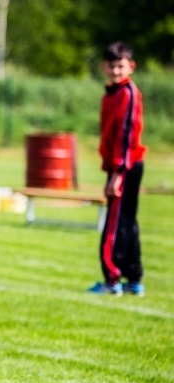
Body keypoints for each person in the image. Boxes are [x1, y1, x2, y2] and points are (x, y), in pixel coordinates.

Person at [88, 41, 147, 297]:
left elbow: (126, 134)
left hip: (126, 166)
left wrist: (118, 174)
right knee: (126, 221)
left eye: (120, 66)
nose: (115, 71)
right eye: (111, 66)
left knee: (114, 224)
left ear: (131, 67)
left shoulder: (128, 94)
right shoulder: (110, 94)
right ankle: (134, 279)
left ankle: (112, 280)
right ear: (104, 67)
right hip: (119, 166)